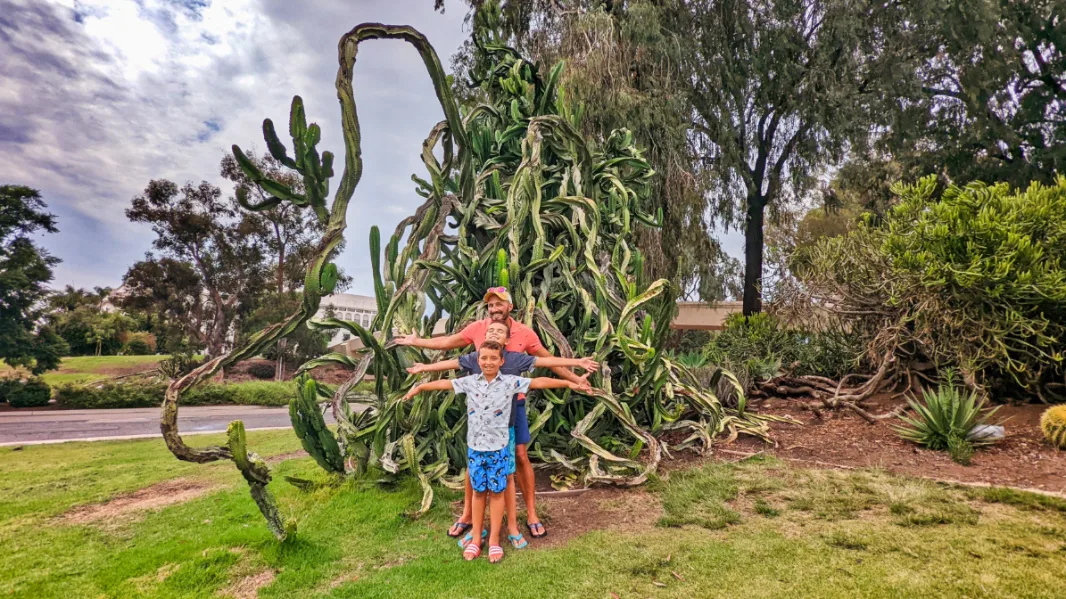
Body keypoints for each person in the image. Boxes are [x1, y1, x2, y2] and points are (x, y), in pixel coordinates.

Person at [397, 287, 587, 539]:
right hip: (481, 407)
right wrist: (417, 343)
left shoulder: (524, 335)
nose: (495, 311)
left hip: (512, 405)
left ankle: (530, 514)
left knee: (519, 456)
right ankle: (468, 515)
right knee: (476, 455)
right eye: (491, 306)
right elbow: (448, 344)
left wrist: (576, 380)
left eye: (500, 305)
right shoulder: (478, 328)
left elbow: (547, 360)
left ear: (510, 307)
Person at [404, 340, 588, 563]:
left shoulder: (511, 382)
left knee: (498, 493)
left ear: (502, 361)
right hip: (475, 449)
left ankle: (493, 541)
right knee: (479, 493)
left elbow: (539, 381)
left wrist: (569, 384)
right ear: (478, 360)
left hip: (499, 449)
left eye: (493, 358)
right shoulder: (470, 382)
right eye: (483, 358)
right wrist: (420, 387)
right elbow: (445, 384)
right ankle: (475, 540)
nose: (488, 362)